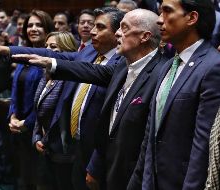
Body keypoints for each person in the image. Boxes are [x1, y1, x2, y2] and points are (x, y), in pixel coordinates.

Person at [0, 7, 125, 190]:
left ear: (117, 32)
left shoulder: (121, 61)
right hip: (75, 146)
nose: (92, 31)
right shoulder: (89, 52)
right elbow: (53, 55)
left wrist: (51, 63)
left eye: (99, 26)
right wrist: (7, 50)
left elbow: (88, 71)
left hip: (98, 149)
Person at [11, 8, 167, 190]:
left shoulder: (159, 72)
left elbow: (147, 139)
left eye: (123, 28)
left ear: (145, 36)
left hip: (129, 172)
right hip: (86, 154)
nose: (118, 33)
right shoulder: (123, 67)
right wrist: (10, 51)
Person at [127, 0, 220, 189]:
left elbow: (203, 144)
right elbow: (151, 134)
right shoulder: (169, 65)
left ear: (192, 18)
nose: (159, 21)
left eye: (167, 12)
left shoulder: (213, 66)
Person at [7, 10, 54, 190]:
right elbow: (14, 89)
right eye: (30, 25)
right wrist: (12, 116)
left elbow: (47, 98)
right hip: (19, 129)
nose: (33, 29)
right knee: (24, 177)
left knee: (40, 181)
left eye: (39, 25)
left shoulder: (52, 57)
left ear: (47, 28)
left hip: (39, 130)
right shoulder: (23, 55)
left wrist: (27, 122)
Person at [33, 31, 78, 190]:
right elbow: (39, 109)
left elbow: (61, 115)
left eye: (53, 47)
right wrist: (36, 136)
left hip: (63, 151)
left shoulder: (70, 79)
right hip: (46, 148)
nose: (47, 50)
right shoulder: (46, 74)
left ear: (67, 51)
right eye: (46, 46)